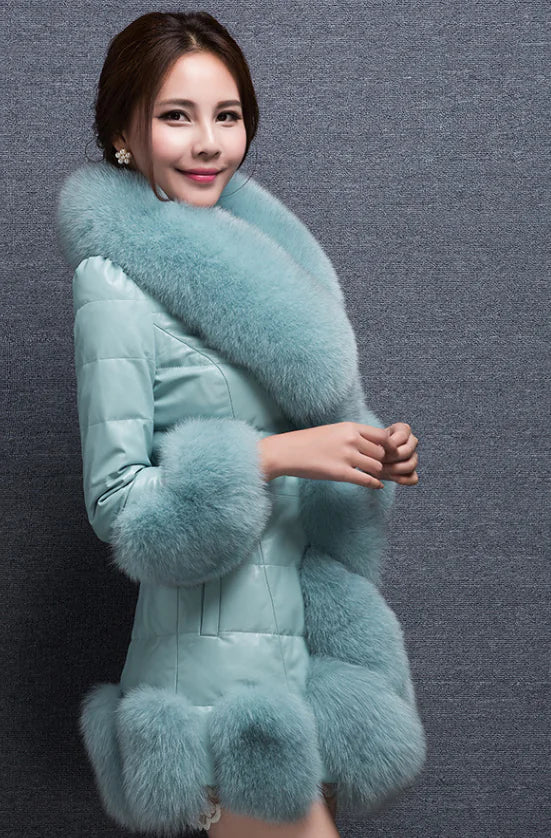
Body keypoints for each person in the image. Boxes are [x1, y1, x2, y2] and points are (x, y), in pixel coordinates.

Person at [55, 10, 426, 838]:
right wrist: (276, 454)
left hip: (294, 655)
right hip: (211, 686)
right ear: (122, 133)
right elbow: (116, 503)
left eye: (226, 116)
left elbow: (304, 440)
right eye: (175, 116)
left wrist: (366, 452)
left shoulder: (259, 254)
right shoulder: (113, 285)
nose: (207, 142)